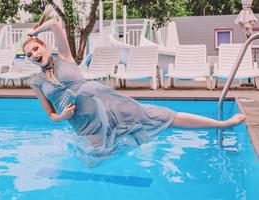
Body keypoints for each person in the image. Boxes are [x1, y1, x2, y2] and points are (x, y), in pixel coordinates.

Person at [23, 18, 246, 155]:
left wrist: (35, 32)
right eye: (28, 55)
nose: (33, 55)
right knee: (95, 160)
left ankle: (222, 123)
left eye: (35, 48)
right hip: (83, 124)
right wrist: (62, 117)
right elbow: (51, 115)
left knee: (163, 116)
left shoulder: (64, 56)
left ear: (42, 45)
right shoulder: (37, 82)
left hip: (106, 103)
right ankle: (132, 146)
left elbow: (54, 24)